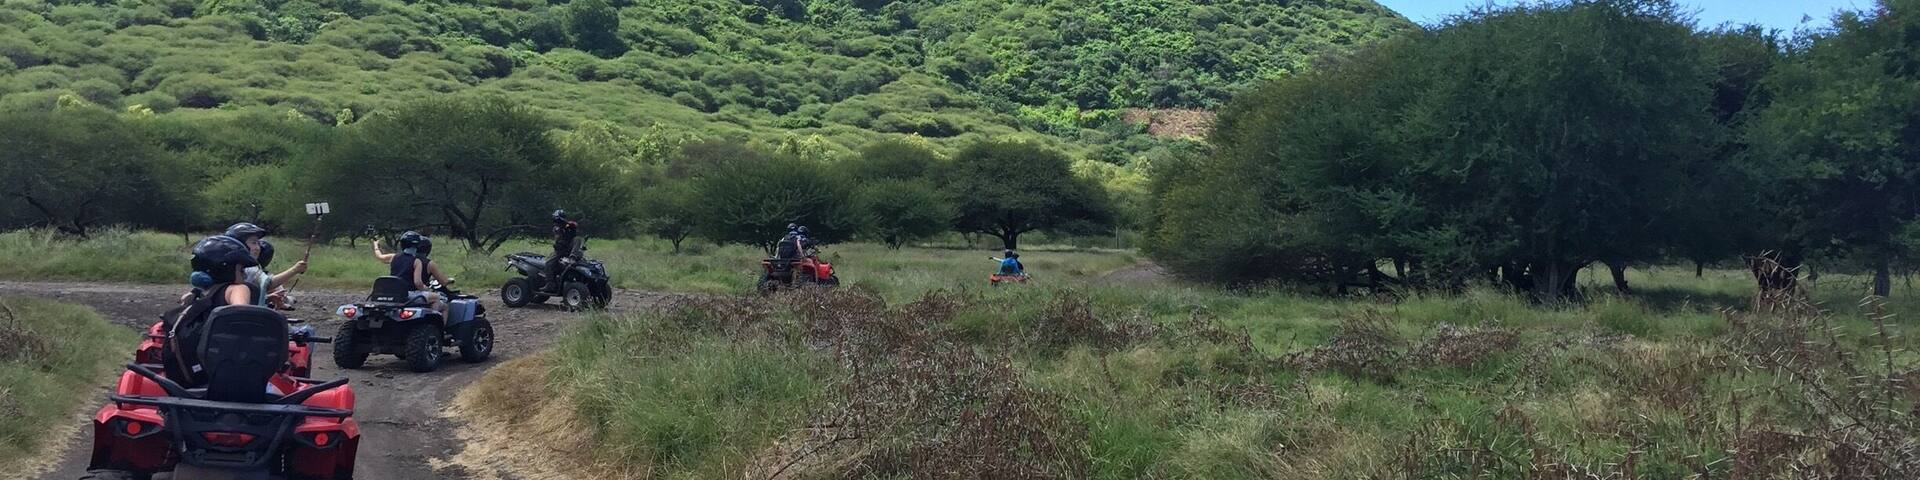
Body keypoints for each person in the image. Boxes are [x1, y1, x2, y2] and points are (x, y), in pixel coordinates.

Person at [164, 235, 261, 386]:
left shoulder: (200, 295)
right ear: (226, 268)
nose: (244, 274)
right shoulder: (237, 289)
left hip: (195, 376)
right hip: (227, 374)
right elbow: (241, 316)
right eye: (241, 269)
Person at [223, 222, 307, 306]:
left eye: (258, 243)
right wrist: (295, 269)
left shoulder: (248, 267)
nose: (258, 248)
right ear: (239, 244)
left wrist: (267, 298)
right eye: (253, 243)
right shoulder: (247, 271)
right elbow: (268, 284)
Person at [387, 232, 452, 313]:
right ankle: (432, 320)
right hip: (408, 294)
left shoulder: (394, 257)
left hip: (393, 292)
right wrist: (427, 289)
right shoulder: (416, 261)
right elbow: (418, 283)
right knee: (436, 297)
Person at [544, 210, 580, 293]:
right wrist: (563, 225)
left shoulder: (569, 226)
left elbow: (574, 225)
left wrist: (569, 225)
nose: (557, 221)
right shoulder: (556, 228)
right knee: (548, 264)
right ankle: (550, 284)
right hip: (560, 250)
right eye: (556, 219)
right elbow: (558, 235)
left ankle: (573, 257)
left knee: (578, 239)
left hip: (569, 249)